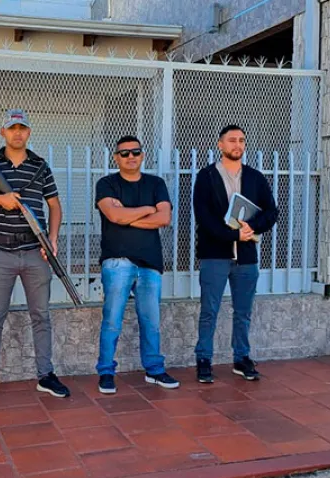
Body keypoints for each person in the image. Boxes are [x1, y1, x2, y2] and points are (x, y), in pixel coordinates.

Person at [0, 109, 70, 404]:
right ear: (3, 132)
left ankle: (46, 375)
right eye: (12, 128)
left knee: (41, 315)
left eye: (22, 128)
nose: (17, 133)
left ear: (29, 132)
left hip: (36, 252)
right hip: (0, 253)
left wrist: (52, 239)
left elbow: (55, 206)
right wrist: (0, 199)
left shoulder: (41, 166)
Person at [93, 135, 180, 394]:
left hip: (150, 263)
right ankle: (106, 372)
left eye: (135, 152)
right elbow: (113, 215)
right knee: (112, 320)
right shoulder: (106, 184)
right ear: (116, 157)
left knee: (151, 321)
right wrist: (148, 209)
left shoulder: (156, 183)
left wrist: (127, 216)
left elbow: (164, 218)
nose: (130, 156)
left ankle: (154, 369)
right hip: (117, 261)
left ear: (142, 155)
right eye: (124, 153)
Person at [192, 125, 278, 383]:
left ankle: (241, 358)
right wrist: (233, 236)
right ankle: (204, 359)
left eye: (241, 140)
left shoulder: (255, 177)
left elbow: (271, 212)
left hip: (246, 257)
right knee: (209, 310)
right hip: (214, 255)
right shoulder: (206, 176)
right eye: (231, 140)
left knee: (243, 311)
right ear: (220, 144)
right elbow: (203, 216)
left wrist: (253, 227)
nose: (237, 145)